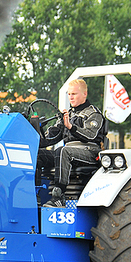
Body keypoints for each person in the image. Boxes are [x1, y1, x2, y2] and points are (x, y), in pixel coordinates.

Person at [37, 78, 106, 207]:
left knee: (63, 151)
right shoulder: (67, 114)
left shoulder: (94, 114)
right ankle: (35, 195)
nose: (71, 97)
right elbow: (52, 137)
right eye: (69, 94)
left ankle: (58, 197)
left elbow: (90, 135)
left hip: (89, 151)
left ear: (84, 94)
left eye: (74, 94)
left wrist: (70, 127)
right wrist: (35, 138)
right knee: (38, 155)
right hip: (66, 152)